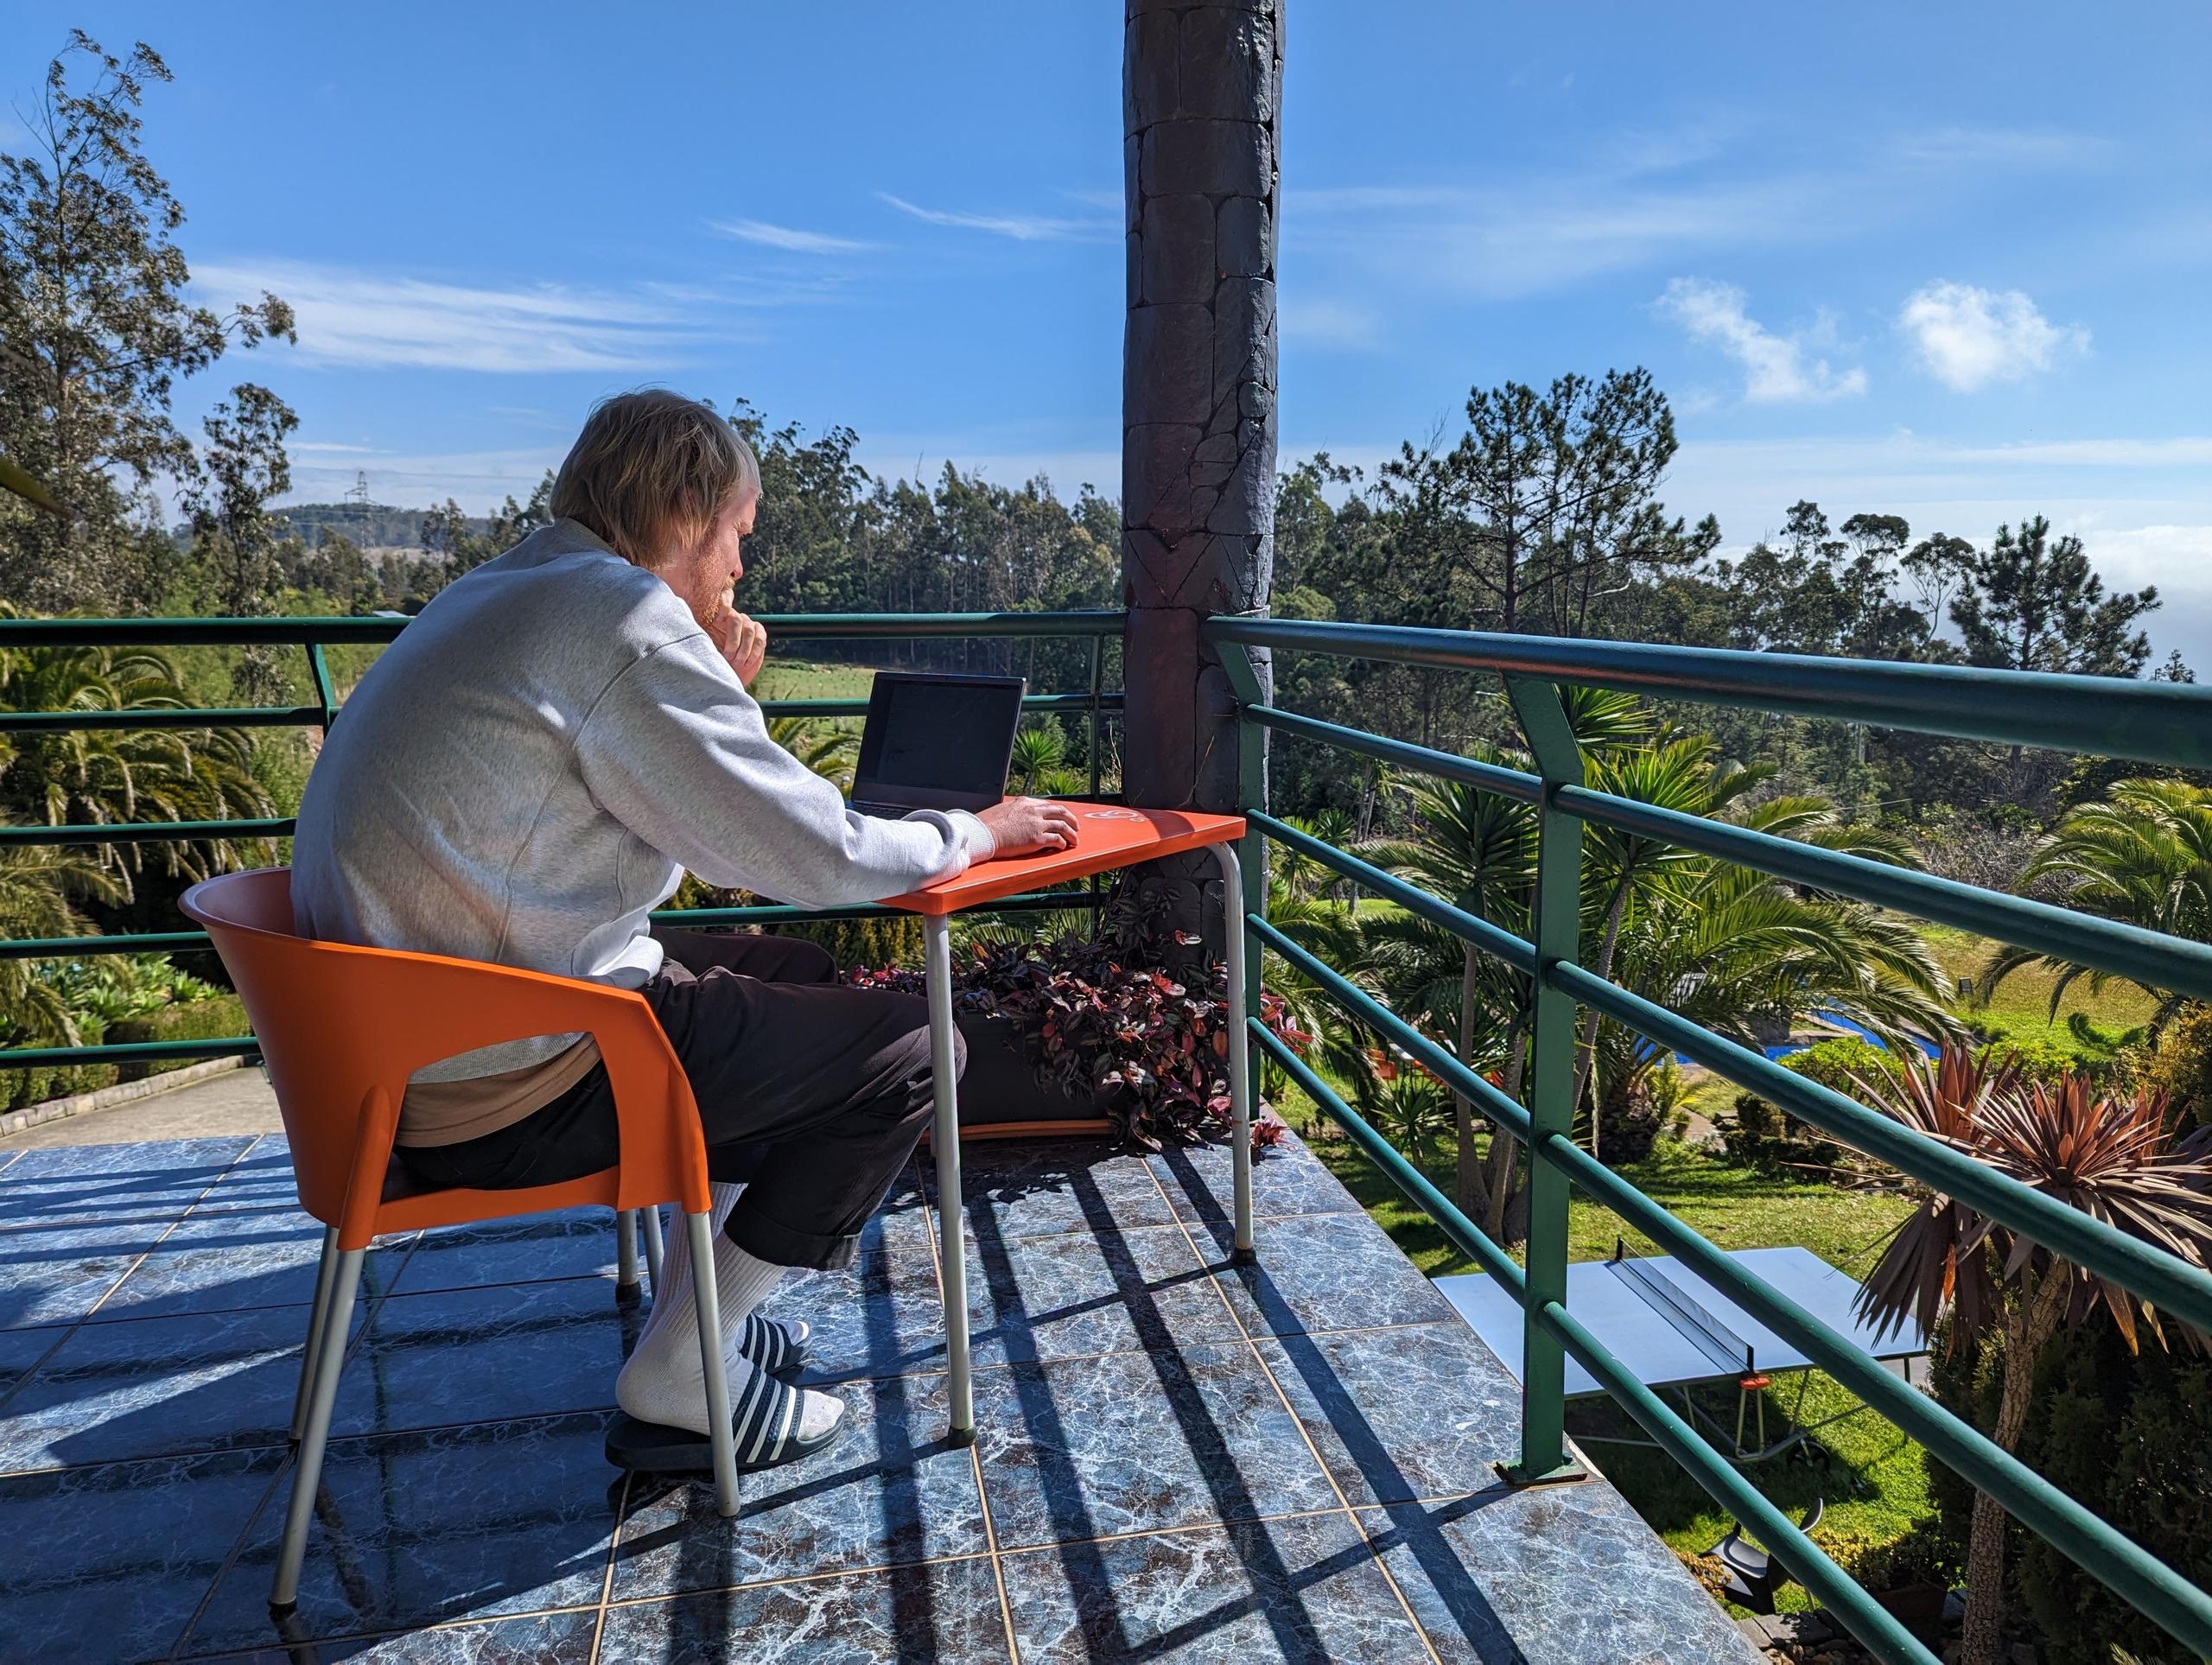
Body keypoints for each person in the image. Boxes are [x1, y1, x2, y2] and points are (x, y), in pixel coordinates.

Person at [291, 389, 1077, 1471]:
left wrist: (712, 681)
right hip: (504, 1079)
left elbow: (708, 828)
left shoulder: (509, 587)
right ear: (682, 512)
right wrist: (977, 833)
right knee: (913, 1053)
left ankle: (701, 1322)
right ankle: (679, 1368)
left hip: (402, 1047)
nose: (740, 567)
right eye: (739, 533)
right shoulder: (618, 618)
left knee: (799, 973)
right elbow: (811, 856)